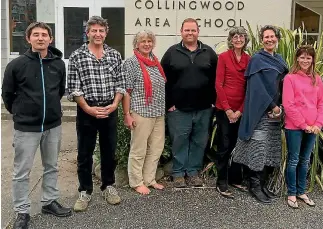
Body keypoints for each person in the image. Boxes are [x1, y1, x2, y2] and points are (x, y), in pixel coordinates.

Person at [2, 22, 71, 229]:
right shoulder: (16, 65)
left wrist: (50, 111)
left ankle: (49, 202)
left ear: (50, 39)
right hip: (26, 128)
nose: (40, 38)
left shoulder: (58, 64)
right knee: (21, 172)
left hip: (52, 125)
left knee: (51, 166)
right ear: (28, 39)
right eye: (36, 35)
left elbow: (59, 91)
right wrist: (21, 112)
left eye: (44, 35)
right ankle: (22, 211)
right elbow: (7, 94)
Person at [67, 16, 126, 212]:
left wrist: (115, 104)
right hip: (87, 110)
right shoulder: (77, 56)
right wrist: (88, 108)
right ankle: (85, 190)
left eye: (101, 30)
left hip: (110, 109)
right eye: (94, 30)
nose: (98, 34)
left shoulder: (115, 55)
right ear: (88, 32)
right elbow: (74, 88)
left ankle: (108, 186)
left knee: (109, 151)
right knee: (85, 153)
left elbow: (121, 84)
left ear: (106, 32)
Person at [231, 25, 289, 204]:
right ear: (262, 40)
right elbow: (257, 87)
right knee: (258, 148)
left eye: (272, 36)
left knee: (268, 148)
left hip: (276, 112)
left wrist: (280, 106)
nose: (269, 39)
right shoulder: (257, 59)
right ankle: (254, 185)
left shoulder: (279, 59)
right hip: (261, 112)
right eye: (266, 37)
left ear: (277, 39)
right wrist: (272, 106)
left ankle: (262, 184)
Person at [161, 18, 218, 188]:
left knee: (199, 141)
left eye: (193, 30)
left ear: (198, 32)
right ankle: (178, 173)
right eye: (187, 30)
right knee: (179, 140)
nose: (190, 33)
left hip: (204, 108)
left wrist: (214, 102)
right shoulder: (172, 52)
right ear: (181, 32)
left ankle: (193, 172)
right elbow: (162, 79)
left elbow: (217, 79)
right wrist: (168, 103)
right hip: (178, 109)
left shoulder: (209, 52)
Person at [122, 30, 166, 195]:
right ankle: (136, 181)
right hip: (140, 112)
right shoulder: (131, 63)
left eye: (149, 41)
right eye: (143, 41)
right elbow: (126, 90)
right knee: (138, 149)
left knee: (156, 148)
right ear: (136, 44)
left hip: (158, 112)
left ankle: (149, 179)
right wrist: (127, 114)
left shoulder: (155, 61)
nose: (147, 44)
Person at [283, 45, 323, 209]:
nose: (305, 60)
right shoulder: (290, 78)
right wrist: (303, 124)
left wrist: (318, 124)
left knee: (305, 161)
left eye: (308, 57)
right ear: (297, 59)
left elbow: (321, 103)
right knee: (293, 160)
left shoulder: (317, 79)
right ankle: (292, 193)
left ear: (312, 59)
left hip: (313, 127)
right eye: (302, 57)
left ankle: (301, 191)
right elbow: (288, 104)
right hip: (294, 127)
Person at [215, 27, 250, 198]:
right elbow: (218, 85)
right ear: (231, 39)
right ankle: (221, 182)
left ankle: (235, 178)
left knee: (239, 145)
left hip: (241, 110)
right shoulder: (223, 57)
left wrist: (240, 110)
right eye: (235, 37)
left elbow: (248, 88)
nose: (238, 39)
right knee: (224, 146)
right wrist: (228, 109)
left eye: (241, 36)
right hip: (224, 110)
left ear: (245, 39)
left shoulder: (249, 59)